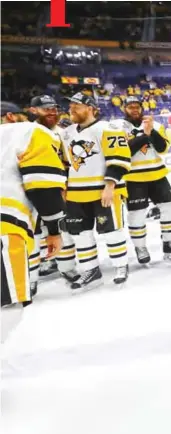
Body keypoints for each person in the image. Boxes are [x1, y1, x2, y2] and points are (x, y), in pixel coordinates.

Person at [1, 101, 67, 342]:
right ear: (10, 116)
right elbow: (42, 185)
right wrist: (54, 229)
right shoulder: (29, 130)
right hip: (5, 227)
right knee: (9, 308)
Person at [60, 93, 131, 290]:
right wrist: (64, 187)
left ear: (91, 108)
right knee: (80, 233)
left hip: (104, 191)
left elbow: (120, 158)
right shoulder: (66, 133)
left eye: (77, 105)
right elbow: (65, 163)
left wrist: (110, 186)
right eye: (71, 105)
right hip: (75, 193)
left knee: (111, 231)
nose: (72, 109)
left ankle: (120, 266)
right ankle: (91, 270)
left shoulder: (108, 129)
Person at [110, 97, 171, 264]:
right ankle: (140, 247)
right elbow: (124, 151)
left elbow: (162, 149)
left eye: (137, 106)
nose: (134, 109)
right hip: (133, 178)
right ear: (124, 108)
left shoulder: (156, 125)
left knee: (169, 208)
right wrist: (144, 136)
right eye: (130, 107)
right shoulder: (117, 127)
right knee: (136, 214)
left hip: (158, 175)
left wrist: (151, 131)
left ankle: (169, 243)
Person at [27, 95, 80, 293]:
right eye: (46, 109)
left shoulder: (64, 134)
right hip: (29, 190)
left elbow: (72, 163)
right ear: (33, 110)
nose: (51, 112)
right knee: (33, 232)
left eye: (54, 108)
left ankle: (67, 267)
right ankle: (33, 274)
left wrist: (67, 188)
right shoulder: (26, 132)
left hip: (57, 190)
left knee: (61, 229)